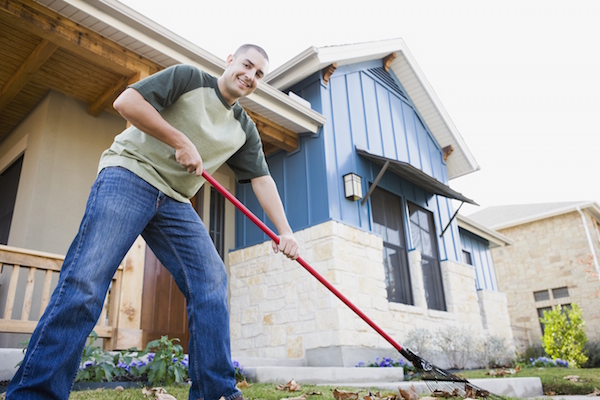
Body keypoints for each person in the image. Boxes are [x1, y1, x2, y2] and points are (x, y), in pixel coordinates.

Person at [7, 44, 299, 400]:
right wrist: (178, 139)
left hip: (175, 199)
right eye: (247, 65)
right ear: (230, 61)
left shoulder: (243, 128)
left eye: (259, 75)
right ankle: (35, 393)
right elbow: (126, 103)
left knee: (210, 282)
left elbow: (261, 179)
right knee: (86, 281)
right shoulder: (189, 78)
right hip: (129, 174)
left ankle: (216, 393)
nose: (250, 77)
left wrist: (284, 231)